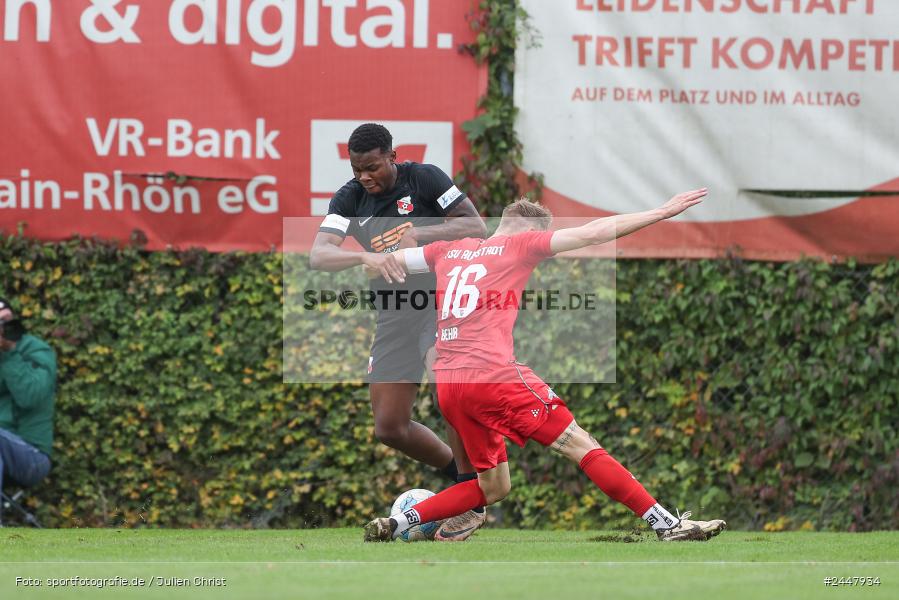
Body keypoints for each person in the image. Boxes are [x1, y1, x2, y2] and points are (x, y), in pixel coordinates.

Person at [363, 188, 728, 542]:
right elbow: (593, 233)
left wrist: (376, 251)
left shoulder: (450, 250)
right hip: (493, 377)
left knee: (493, 486)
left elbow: (385, 262)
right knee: (579, 443)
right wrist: (660, 212)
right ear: (530, 229)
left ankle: (395, 523)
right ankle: (666, 525)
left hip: (450, 386)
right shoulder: (522, 244)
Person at [310, 123, 489, 538]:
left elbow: (476, 227)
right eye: (357, 170)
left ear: (391, 156)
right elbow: (319, 255)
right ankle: (462, 480)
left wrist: (419, 235)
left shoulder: (424, 178)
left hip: (439, 304)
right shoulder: (349, 198)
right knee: (389, 427)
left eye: (372, 168)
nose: (364, 177)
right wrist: (364, 259)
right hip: (393, 314)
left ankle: (470, 498)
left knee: (445, 388)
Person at [0, 297, 56, 523]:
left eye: (6, 321)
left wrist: (8, 352)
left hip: (32, 455)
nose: (3, 328)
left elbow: (30, 396)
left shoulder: (37, 350)